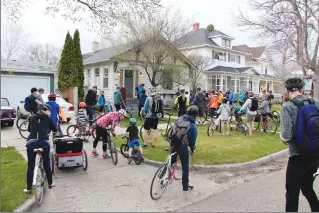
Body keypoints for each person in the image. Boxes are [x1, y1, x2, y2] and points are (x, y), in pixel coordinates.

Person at [280, 78, 319, 212]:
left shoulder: (287, 106)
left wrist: (283, 139)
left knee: (292, 193)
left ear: (287, 90)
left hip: (297, 157)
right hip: (314, 155)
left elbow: (286, 135)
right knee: (308, 189)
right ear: (302, 90)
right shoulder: (315, 103)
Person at [23, 104, 57, 194]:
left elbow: (29, 130)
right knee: (46, 164)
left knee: (30, 166)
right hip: (43, 143)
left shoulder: (31, 118)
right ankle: (50, 183)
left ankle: (28, 188)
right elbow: (54, 129)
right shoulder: (48, 119)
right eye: (49, 111)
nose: (50, 113)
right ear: (44, 111)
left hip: (31, 143)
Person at [169, 105, 198, 192]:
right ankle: (185, 187)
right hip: (182, 146)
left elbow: (173, 129)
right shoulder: (192, 125)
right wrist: (192, 148)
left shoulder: (179, 118)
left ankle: (162, 176)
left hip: (173, 142)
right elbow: (192, 140)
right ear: (195, 115)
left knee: (171, 161)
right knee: (185, 166)